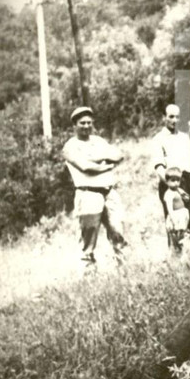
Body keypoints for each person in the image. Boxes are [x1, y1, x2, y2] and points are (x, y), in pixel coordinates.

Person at [62, 106, 128, 268]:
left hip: (109, 192)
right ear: (74, 125)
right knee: (89, 236)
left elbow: (119, 155)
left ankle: (123, 268)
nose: (86, 126)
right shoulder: (70, 147)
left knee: (117, 230)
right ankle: (89, 273)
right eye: (82, 123)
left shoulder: (99, 141)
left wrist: (98, 158)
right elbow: (85, 167)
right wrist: (106, 164)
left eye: (89, 123)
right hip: (88, 194)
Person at [152, 103, 190, 253]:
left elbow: (187, 162)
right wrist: (173, 187)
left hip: (186, 180)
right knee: (175, 221)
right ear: (164, 118)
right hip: (170, 183)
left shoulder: (183, 137)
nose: (174, 120)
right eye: (171, 116)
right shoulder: (158, 139)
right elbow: (159, 167)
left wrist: (188, 180)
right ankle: (176, 254)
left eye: (177, 116)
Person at [162, 166, 190, 255]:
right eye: (173, 180)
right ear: (167, 181)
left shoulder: (178, 190)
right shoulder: (169, 194)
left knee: (183, 233)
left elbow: (187, 199)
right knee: (177, 235)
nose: (176, 183)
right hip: (176, 216)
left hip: (182, 215)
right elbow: (169, 209)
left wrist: (183, 194)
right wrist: (174, 220)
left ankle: (184, 252)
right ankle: (177, 252)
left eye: (178, 180)